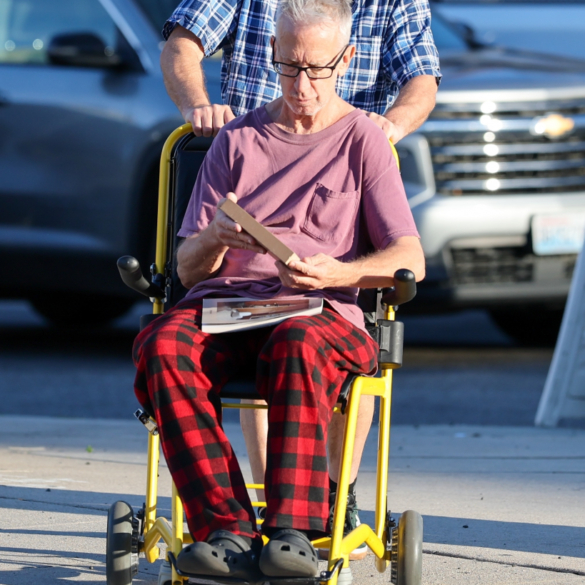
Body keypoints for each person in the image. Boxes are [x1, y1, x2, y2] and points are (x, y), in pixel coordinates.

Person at [159, 0, 439, 560]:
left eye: (317, 69)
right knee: (164, 345)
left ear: (347, 61)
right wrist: (214, 236)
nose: (302, 84)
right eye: (289, 67)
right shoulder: (235, 141)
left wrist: (340, 271)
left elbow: (410, 256)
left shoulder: (363, 141)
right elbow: (185, 271)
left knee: (296, 343)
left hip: (317, 310)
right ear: (272, 56)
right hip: (231, 304)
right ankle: (226, 528)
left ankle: (296, 531)